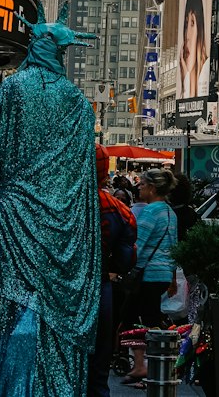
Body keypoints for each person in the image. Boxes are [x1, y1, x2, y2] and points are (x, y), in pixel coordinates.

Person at [0, 4, 100, 397]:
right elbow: (84, 175)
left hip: (12, 221)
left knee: (0, 317)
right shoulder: (78, 103)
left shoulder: (12, 89)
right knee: (50, 324)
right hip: (61, 233)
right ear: (61, 52)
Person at [121, 170, 178, 387]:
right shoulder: (171, 213)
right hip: (162, 275)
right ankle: (146, 365)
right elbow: (174, 248)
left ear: (153, 189)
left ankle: (143, 365)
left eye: (143, 184)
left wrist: (125, 268)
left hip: (147, 274)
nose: (139, 187)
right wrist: (171, 276)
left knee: (133, 319)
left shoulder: (150, 212)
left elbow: (138, 245)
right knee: (150, 317)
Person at [89, 146, 136, 397]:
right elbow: (125, 260)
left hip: (58, 293)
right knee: (98, 372)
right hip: (99, 287)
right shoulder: (120, 211)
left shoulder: (57, 204)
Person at [179, 0, 208, 99]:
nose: (187, 35)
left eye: (192, 23)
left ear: (200, 29)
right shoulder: (185, 74)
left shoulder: (207, 72)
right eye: (186, 25)